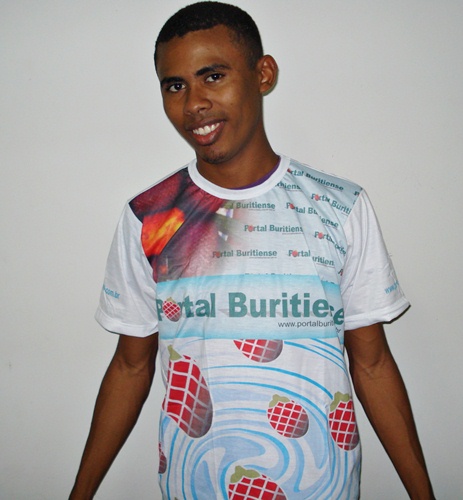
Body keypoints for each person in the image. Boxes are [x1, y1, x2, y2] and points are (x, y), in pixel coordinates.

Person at [70, 2, 435, 499]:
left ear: (263, 74)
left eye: (213, 76)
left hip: (323, 488)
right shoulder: (151, 217)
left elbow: (371, 363)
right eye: (175, 86)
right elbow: (131, 366)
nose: (194, 103)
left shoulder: (341, 207)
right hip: (194, 486)